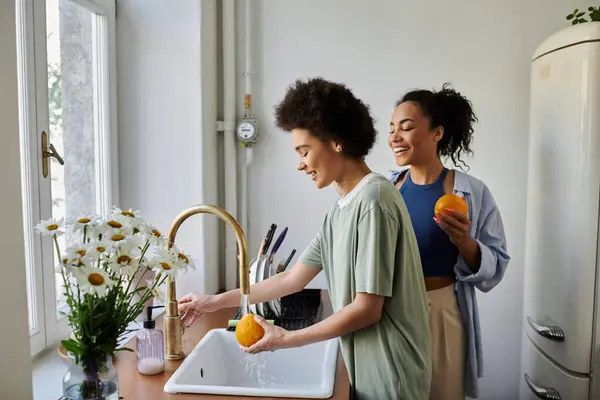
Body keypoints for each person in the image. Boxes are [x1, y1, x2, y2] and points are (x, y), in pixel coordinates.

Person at [178, 77, 432, 399]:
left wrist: (285, 339)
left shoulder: (374, 201)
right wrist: (213, 301)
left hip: (392, 377)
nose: (300, 164)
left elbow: (368, 309)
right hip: (368, 372)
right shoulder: (340, 210)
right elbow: (291, 279)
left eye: (304, 150)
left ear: (336, 141)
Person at [387, 83, 510, 400]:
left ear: (437, 133)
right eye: (392, 129)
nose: (395, 138)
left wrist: (464, 241)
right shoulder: (385, 190)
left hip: (441, 312)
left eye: (407, 127)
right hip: (391, 311)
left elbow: (497, 263)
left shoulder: (473, 192)